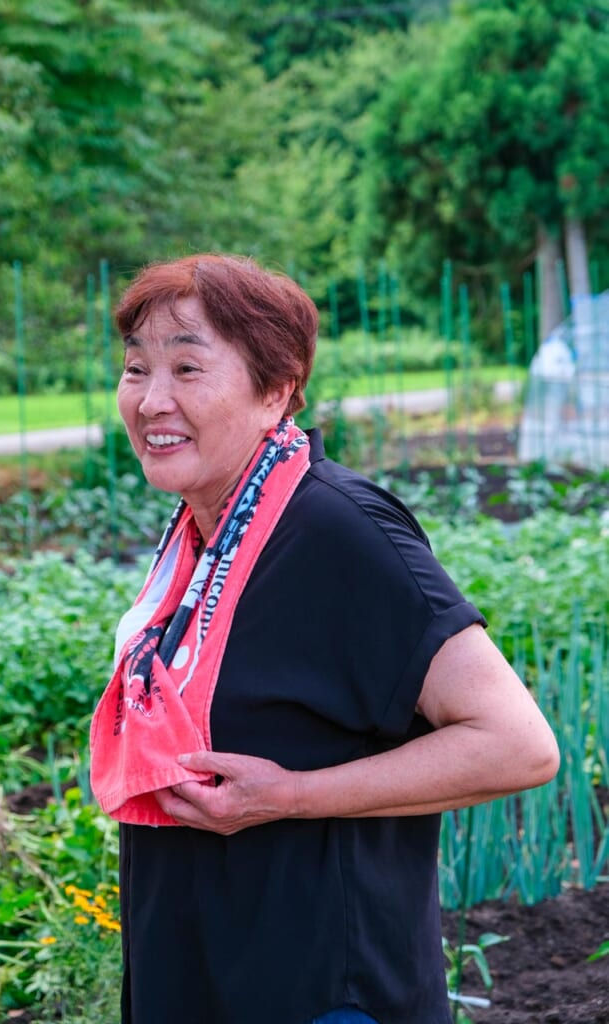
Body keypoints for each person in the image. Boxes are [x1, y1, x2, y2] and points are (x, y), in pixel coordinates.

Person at [90, 254, 559, 1024]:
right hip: (206, 968)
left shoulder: (339, 530)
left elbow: (517, 745)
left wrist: (291, 796)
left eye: (187, 367)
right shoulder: (201, 534)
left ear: (276, 391)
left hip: (320, 987)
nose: (151, 399)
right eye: (136, 368)